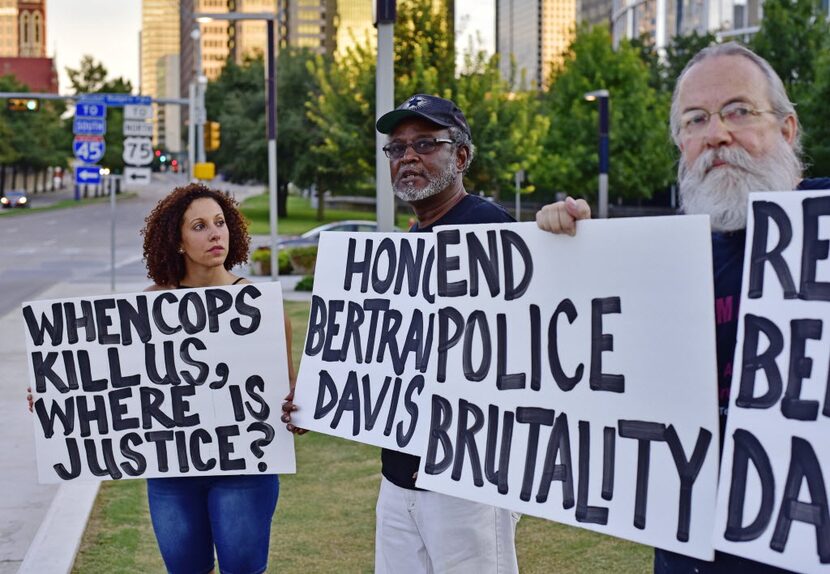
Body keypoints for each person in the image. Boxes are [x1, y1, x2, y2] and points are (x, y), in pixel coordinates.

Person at [536, 42, 830, 574]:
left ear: (787, 129)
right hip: (688, 549)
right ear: (681, 145)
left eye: (739, 111)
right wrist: (569, 253)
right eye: (695, 120)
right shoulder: (665, 259)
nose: (716, 134)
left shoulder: (824, 226)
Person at [281, 94, 520, 573]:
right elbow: (378, 354)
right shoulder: (408, 246)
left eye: (426, 144)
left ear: (461, 156)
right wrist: (319, 398)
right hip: (398, 478)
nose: (408, 156)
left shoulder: (491, 229)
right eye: (397, 148)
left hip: (465, 483)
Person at [141, 182, 294, 574]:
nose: (215, 234)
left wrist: (296, 411)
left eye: (221, 222)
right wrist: (62, 399)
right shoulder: (150, 305)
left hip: (244, 469)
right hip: (173, 470)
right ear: (177, 241)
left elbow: (287, 396)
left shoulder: (262, 307)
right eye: (199, 226)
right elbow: (120, 385)